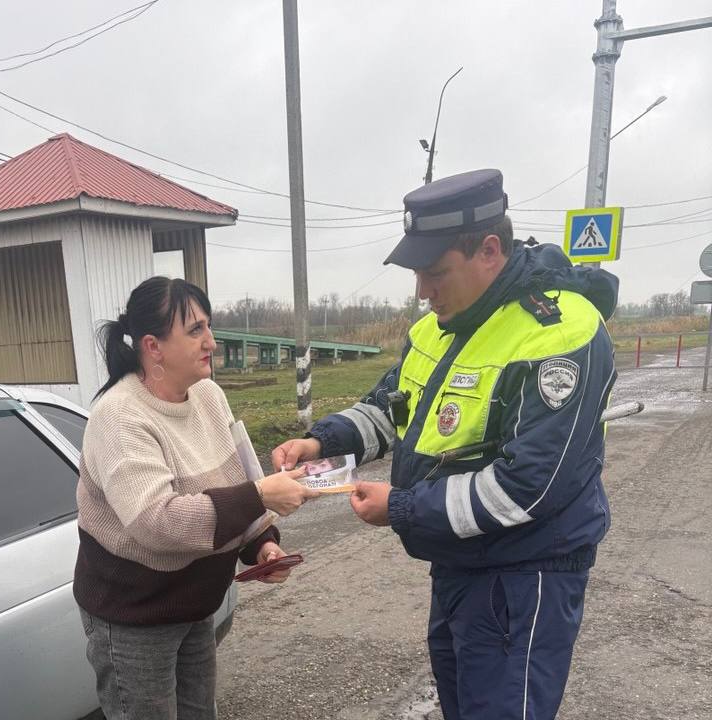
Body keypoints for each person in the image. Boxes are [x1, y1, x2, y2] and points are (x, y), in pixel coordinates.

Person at [273, 169, 619, 720]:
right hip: (461, 564)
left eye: (435, 273)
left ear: (489, 251)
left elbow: (527, 488)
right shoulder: (442, 323)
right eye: (417, 273)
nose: (422, 291)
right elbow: (392, 406)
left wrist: (402, 507)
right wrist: (321, 442)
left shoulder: (558, 333)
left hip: (523, 574)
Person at [74, 276, 318, 720]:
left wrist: (261, 544)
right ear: (153, 346)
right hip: (135, 617)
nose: (211, 342)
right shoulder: (119, 417)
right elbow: (157, 522)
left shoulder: (209, 395)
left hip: (195, 605)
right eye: (195, 330)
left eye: (209, 326)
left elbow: (237, 478)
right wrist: (260, 495)